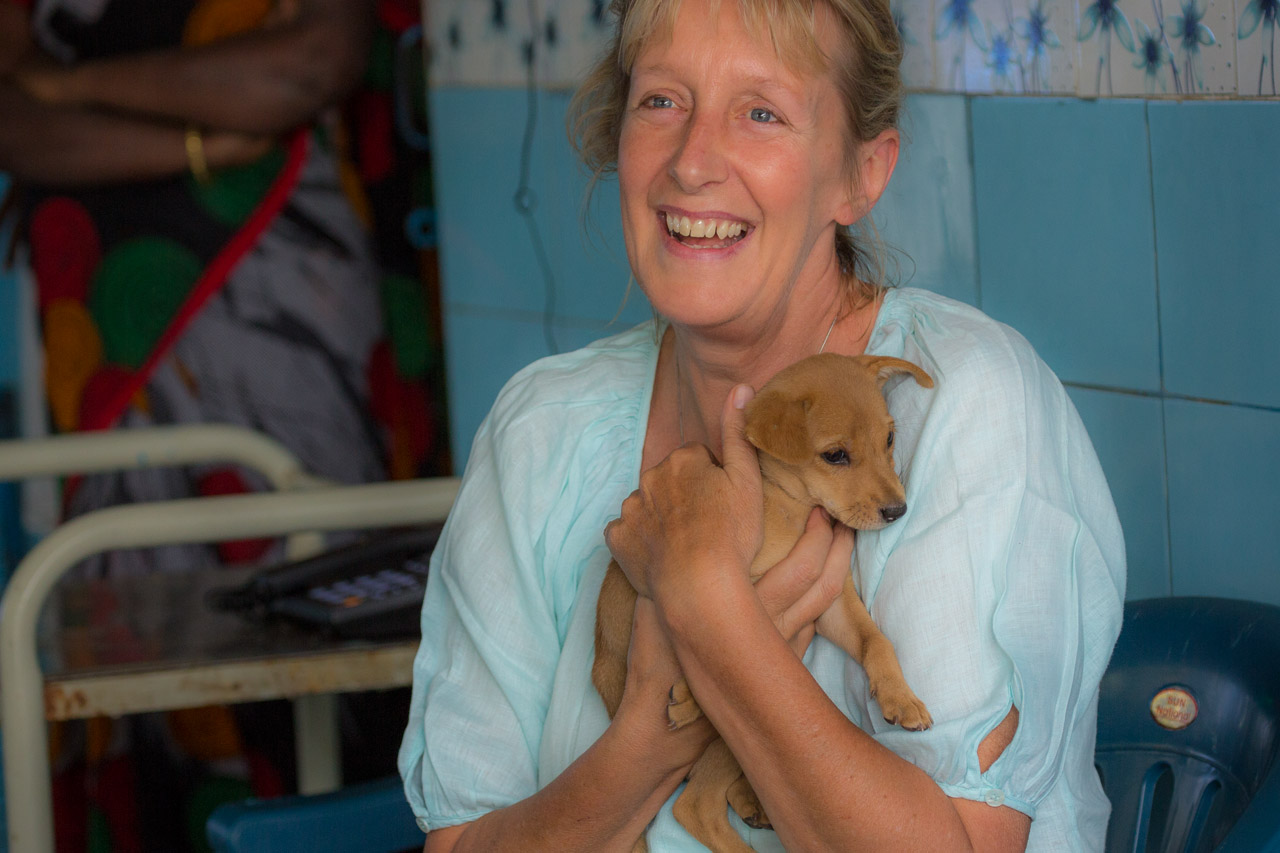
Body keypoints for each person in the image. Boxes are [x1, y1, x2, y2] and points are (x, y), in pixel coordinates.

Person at [398, 0, 1126, 850]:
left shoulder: (965, 407)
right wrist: (650, 737)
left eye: (762, 113)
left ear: (860, 173)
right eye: (661, 100)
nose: (692, 162)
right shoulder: (540, 432)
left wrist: (709, 610)